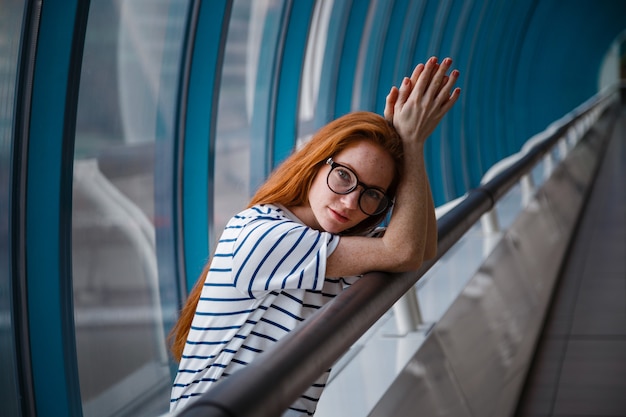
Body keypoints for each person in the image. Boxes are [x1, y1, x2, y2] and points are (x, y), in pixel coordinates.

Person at [168, 56, 461, 415]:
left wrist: (408, 146)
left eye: (371, 194)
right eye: (344, 176)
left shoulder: (328, 246)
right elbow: (404, 251)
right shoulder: (264, 234)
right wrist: (411, 144)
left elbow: (420, 246)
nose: (351, 201)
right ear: (316, 162)